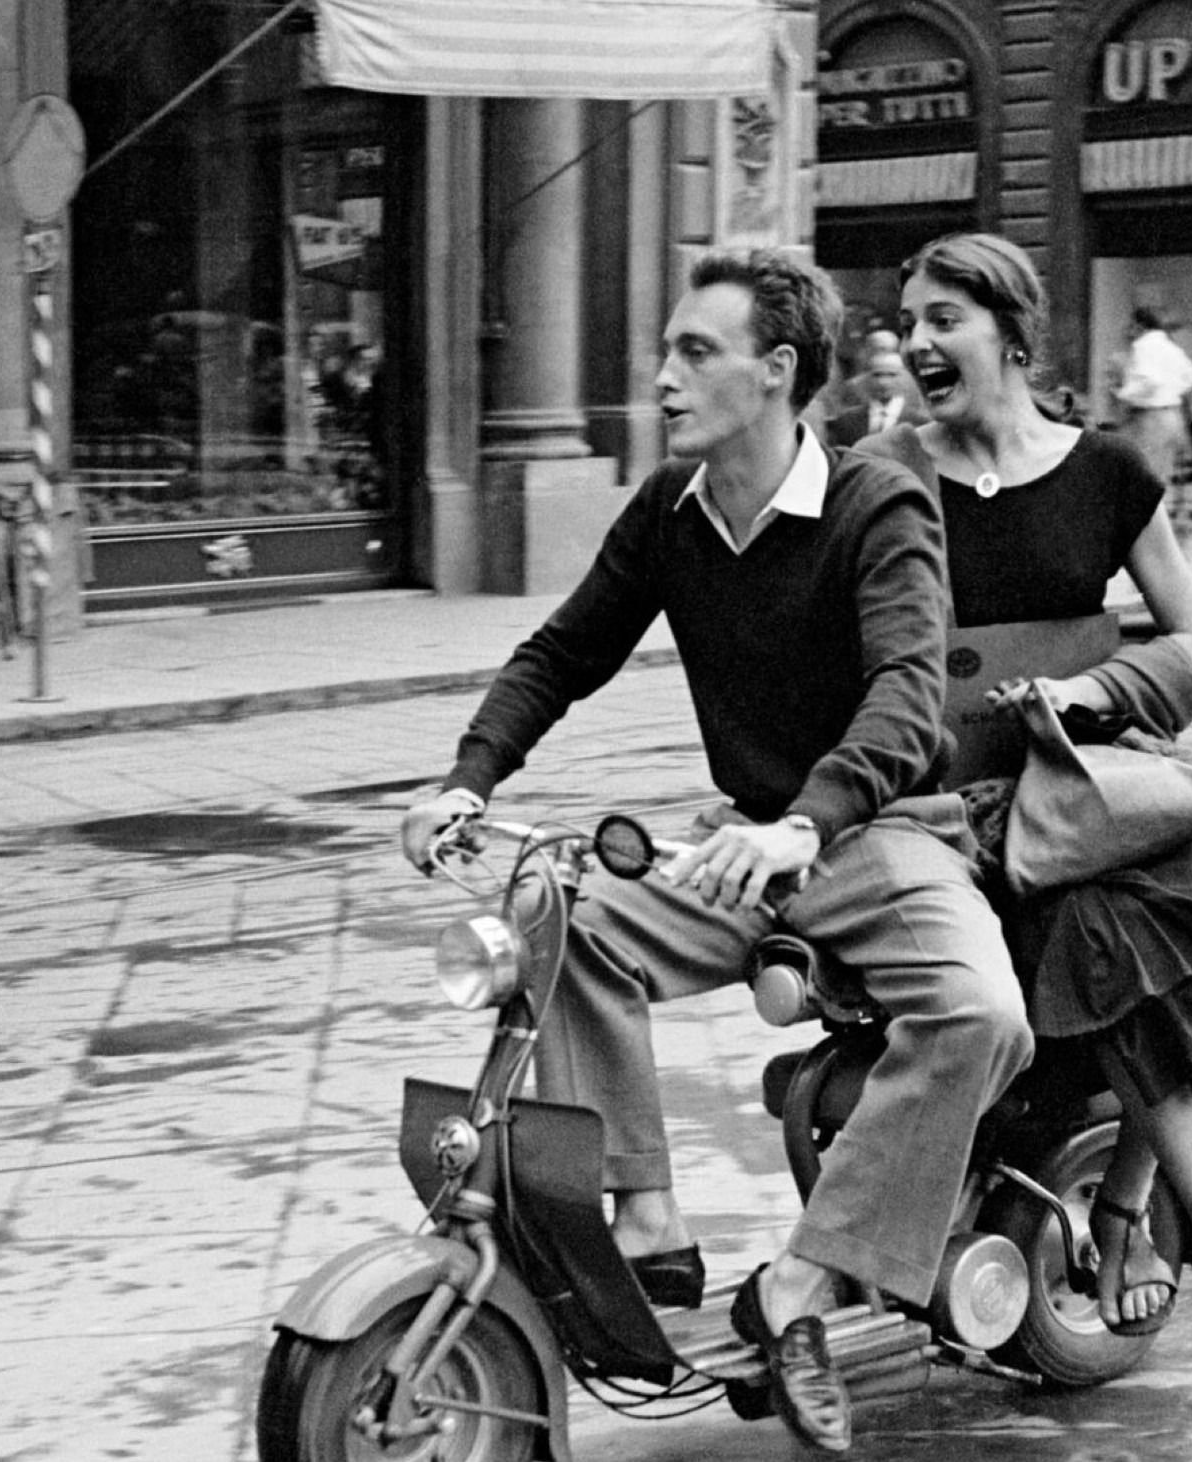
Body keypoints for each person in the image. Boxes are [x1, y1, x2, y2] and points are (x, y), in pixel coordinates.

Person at [400, 247, 1032, 1455]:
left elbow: (906, 693)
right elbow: (560, 652)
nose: (661, 377)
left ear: (776, 371)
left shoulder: (875, 501)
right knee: (562, 915)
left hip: (877, 831)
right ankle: (643, 1217)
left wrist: (808, 817)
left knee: (979, 1016)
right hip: (742, 841)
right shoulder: (669, 510)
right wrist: (466, 778)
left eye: (694, 353)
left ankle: (807, 1277)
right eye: (666, 351)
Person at [860, 232, 1192, 1364]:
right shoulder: (881, 471)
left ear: (1010, 331)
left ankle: (1130, 1199)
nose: (915, 343)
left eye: (941, 320)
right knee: (1110, 922)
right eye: (907, 322)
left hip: (1076, 782)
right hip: (948, 801)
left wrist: (1090, 690)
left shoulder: (1105, 473)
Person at [1114, 305, 1192, 486]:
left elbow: (1149, 380)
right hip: (1173, 415)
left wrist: (1124, 394)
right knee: (1163, 475)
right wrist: (1171, 391)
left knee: (1144, 474)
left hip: (1150, 417)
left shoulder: (1142, 347)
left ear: (1139, 326)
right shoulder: (1171, 347)